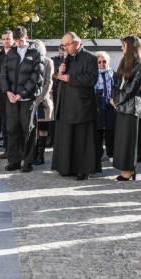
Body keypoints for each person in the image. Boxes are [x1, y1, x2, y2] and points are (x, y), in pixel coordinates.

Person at [51, 32, 99, 180]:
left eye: (67, 44)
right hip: (65, 103)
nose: (65, 48)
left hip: (81, 105)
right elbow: (57, 79)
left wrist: (70, 78)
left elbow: (92, 79)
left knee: (81, 138)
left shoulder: (89, 58)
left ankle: (82, 170)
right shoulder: (65, 58)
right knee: (66, 137)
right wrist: (58, 73)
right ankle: (66, 167)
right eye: (63, 45)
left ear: (76, 43)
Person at [0, 26, 44, 173]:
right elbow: (3, 75)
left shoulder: (35, 53)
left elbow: (37, 77)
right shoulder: (11, 52)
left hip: (27, 99)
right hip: (12, 100)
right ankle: (14, 161)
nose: (18, 43)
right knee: (12, 130)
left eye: (21, 40)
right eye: (16, 40)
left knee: (29, 131)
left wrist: (22, 93)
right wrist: (7, 92)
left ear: (26, 37)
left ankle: (28, 162)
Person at [111, 36, 141, 181]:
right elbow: (116, 82)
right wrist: (114, 99)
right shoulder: (124, 62)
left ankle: (129, 170)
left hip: (131, 107)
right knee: (121, 139)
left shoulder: (140, 65)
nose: (121, 48)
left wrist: (117, 100)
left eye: (123, 45)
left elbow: (132, 89)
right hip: (121, 106)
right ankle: (124, 168)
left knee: (128, 140)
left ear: (131, 47)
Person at [32, 40, 53, 166]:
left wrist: (39, 99)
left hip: (43, 101)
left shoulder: (48, 62)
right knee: (32, 129)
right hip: (30, 100)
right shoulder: (29, 61)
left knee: (42, 129)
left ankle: (41, 155)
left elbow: (48, 82)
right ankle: (32, 154)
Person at [94, 51, 116, 163]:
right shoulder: (93, 74)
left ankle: (111, 153)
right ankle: (98, 154)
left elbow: (116, 89)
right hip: (97, 106)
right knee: (97, 132)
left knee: (110, 132)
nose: (102, 64)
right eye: (99, 62)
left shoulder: (114, 74)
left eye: (104, 61)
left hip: (110, 105)